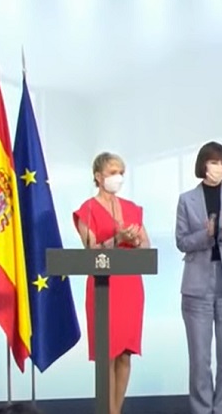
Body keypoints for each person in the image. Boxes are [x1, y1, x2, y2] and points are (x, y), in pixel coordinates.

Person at [175, 141, 222, 414]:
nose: (220, 167)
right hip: (197, 284)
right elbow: (182, 242)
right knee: (200, 359)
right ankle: (201, 410)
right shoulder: (187, 199)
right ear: (203, 165)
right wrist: (205, 234)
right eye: (215, 162)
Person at [73, 152, 150, 414]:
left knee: (125, 354)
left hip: (130, 286)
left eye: (121, 173)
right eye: (113, 172)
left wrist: (135, 240)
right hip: (104, 288)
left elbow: (146, 247)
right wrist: (116, 239)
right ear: (98, 176)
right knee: (107, 355)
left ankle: (115, 411)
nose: (118, 178)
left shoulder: (132, 208)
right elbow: (91, 251)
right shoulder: (87, 210)